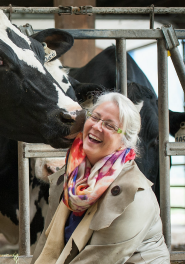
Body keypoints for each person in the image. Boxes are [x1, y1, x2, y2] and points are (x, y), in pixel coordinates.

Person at [32, 92, 169, 264]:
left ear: (124, 142)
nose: (97, 127)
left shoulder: (133, 196)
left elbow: (98, 260)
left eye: (110, 126)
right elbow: (47, 243)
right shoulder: (71, 177)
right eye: (95, 117)